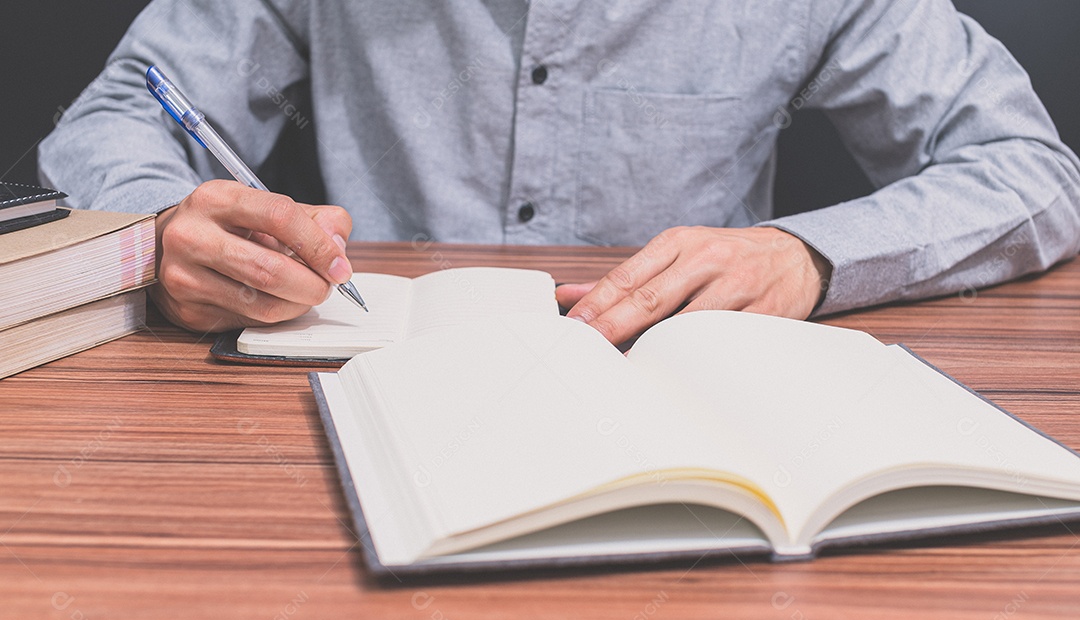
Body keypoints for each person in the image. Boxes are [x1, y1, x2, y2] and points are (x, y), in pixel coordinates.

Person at [40, 1, 1080, 345]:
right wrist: (163, 225)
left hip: (684, 387)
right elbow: (124, 112)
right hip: (344, 373)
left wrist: (808, 256)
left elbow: (1032, 168)